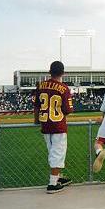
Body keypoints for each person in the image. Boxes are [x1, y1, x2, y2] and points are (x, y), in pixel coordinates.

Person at [34, 61, 73, 194]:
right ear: (63, 73)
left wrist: (36, 121)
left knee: (52, 152)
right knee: (58, 154)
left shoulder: (41, 85)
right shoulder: (64, 88)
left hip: (45, 125)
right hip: (58, 125)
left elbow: (36, 106)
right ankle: (52, 184)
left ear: (50, 71)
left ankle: (57, 178)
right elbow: (68, 110)